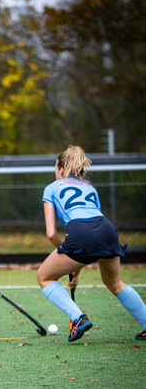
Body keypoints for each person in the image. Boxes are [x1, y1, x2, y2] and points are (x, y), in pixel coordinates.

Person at [37, 145, 146, 342]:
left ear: (61, 169)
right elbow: (90, 241)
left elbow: (52, 234)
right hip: (107, 230)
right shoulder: (90, 188)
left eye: (55, 169)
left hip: (80, 233)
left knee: (44, 277)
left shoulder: (51, 188)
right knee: (115, 283)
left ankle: (78, 318)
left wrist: (63, 250)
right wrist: (74, 273)